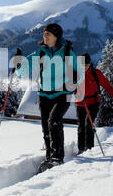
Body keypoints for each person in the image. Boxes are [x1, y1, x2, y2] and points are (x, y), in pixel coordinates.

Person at [15, 23, 83, 172]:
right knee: (46, 126)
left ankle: (58, 157)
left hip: (62, 94)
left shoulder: (66, 52)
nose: (44, 36)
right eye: (44, 33)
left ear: (56, 36)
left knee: (54, 121)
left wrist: (74, 80)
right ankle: (49, 158)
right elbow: (23, 71)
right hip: (44, 94)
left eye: (48, 34)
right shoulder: (40, 52)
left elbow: (79, 72)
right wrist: (19, 63)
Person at [75, 53, 113, 154]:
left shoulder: (96, 73)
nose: (84, 67)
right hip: (80, 102)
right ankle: (80, 149)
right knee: (81, 126)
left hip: (93, 102)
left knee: (88, 124)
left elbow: (107, 86)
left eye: (86, 64)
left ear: (90, 64)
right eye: (82, 65)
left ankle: (88, 149)